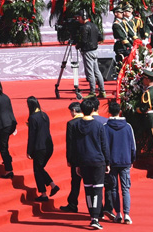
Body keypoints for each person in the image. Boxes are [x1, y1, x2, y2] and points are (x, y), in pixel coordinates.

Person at [73, 96, 109, 230]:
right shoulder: (98, 126)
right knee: (97, 189)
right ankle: (95, 217)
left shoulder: (76, 126)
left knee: (88, 189)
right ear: (93, 109)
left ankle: (92, 216)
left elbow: (75, 146)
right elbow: (104, 145)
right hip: (98, 161)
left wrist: (76, 163)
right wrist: (108, 162)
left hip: (83, 160)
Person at [102, 99, 135, 225]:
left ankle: (118, 213)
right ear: (120, 111)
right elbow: (133, 145)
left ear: (109, 112)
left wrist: (106, 162)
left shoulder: (106, 127)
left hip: (112, 162)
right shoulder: (128, 127)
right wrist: (132, 159)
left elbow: (104, 146)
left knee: (114, 188)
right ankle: (127, 214)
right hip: (125, 160)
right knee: (125, 188)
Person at [26, 96, 59, 202]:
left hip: (40, 148)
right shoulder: (44, 115)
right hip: (49, 146)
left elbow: (32, 136)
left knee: (37, 170)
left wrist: (29, 151)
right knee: (40, 168)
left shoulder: (33, 118)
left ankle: (44, 193)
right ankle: (53, 185)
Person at [60, 102, 84, 213]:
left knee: (75, 182)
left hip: (76, 158)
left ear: (74, 111)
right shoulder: (89, 121)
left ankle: (73, 204)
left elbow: (69, 143)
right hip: (89, 157)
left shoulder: (71, 123)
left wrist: (69, 159)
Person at [77, 9, 106, 98]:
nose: (78, 19)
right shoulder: (94, 25)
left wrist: (78, 45)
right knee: (97, 71)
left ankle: (92, 91)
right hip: (95, 50)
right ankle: (102, 90)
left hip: (88, 51)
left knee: (90, 72)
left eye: (79, 17)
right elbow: (100, 37)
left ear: (83, 17)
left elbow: (84, 40)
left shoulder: (84, 27)